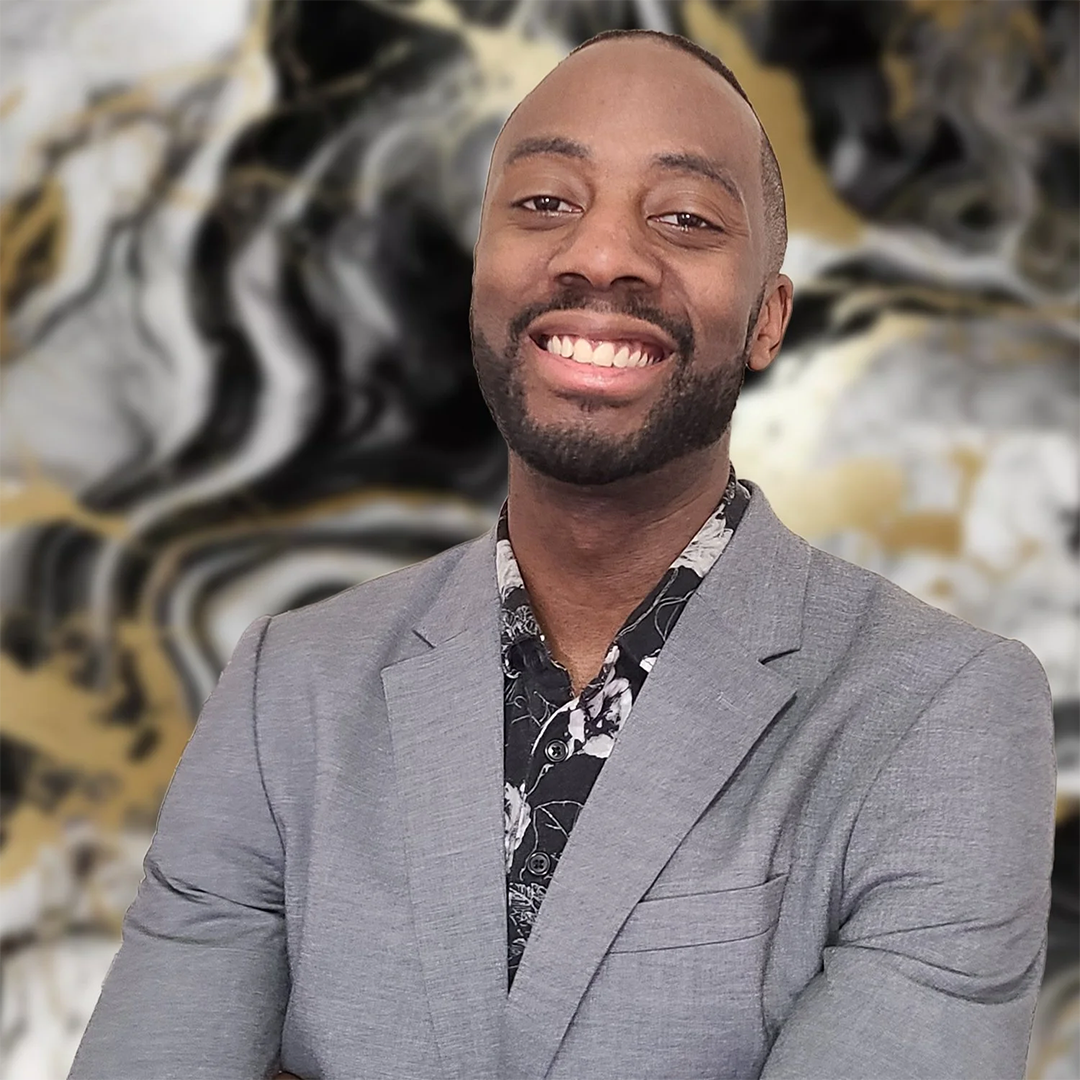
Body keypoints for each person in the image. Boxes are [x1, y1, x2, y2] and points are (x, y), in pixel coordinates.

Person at [68, 29, 1055, 1080]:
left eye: (685, 218)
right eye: (544, 202)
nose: (601, 255)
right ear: (480, 276)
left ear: (768, 319)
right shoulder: (289, 688)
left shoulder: (941, 710)